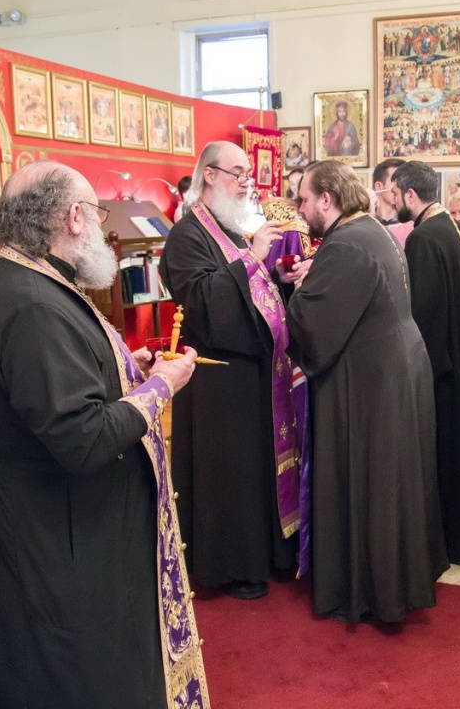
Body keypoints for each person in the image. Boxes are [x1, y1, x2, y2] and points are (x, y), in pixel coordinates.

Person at [0, 160, 208, 709]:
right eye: (95, 212)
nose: (98, 223)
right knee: (72, 670)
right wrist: (161, 387)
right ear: (73, 217)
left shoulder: (21, 278)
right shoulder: (33, 304)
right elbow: (84, 438)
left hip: (44, 516)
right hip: (56, 532)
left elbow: (52, 388)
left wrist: (125, 369)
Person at [285, 159, 448, 622]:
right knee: (393, 481)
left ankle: (374, 593)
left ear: (326, 199)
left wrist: (294, 293)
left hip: (374, 380)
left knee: (376, 483)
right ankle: (394, 583)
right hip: (393, 366)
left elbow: (313, 325)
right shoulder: (368, 229)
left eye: (303, 199)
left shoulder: (346, 242)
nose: (300, 209)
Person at [159, 141, 301, 601]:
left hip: (253, 370)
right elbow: (203, 301)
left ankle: (269, 553)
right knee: (229, 472)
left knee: (255, 467)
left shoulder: (231, 230)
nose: (246, 182)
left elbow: (251, 291)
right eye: (238, 173)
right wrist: (253, 258)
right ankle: (233, 566)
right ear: (210, 175)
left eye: (247, 174)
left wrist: (277, 276)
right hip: (217, 378)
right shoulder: (187, 236)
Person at [393, 160, 460, 566]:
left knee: (446, 452)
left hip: (442, 364)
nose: (393, 201)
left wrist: (415, 369)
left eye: (395, 193)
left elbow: (424, 312)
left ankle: (450, 540)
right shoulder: (453, 226)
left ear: (410, 194)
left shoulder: (423, 237)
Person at [370, 157, 412, 247]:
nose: (403, 187)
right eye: (396, 181)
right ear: (379, 187)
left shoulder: (413, 226)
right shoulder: (363, 222)